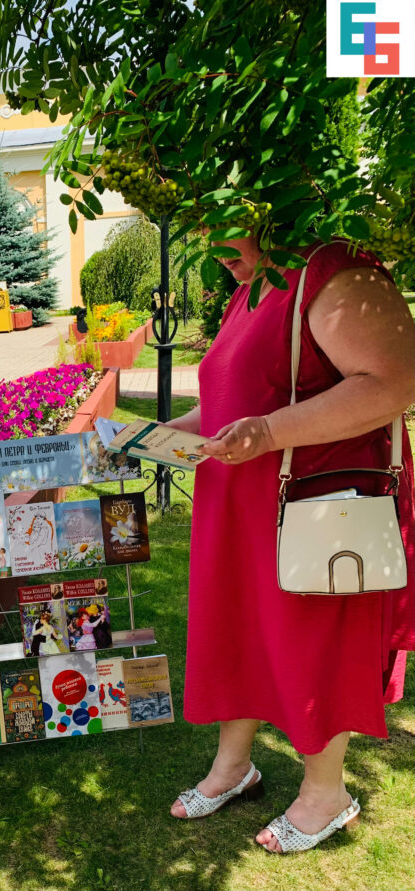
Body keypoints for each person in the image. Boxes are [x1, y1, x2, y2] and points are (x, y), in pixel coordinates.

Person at [167, 234, 415, 853]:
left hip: (316, 508)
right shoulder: (251, 287)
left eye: (224, 220)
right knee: (240, 630)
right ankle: (234, 767)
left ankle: (326, 794)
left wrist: (269, 433)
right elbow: (235, 401)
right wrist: (169, 434)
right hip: (241, 507)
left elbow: (392, 382)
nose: (213, 244)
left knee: (316, 641)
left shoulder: (334, 268)